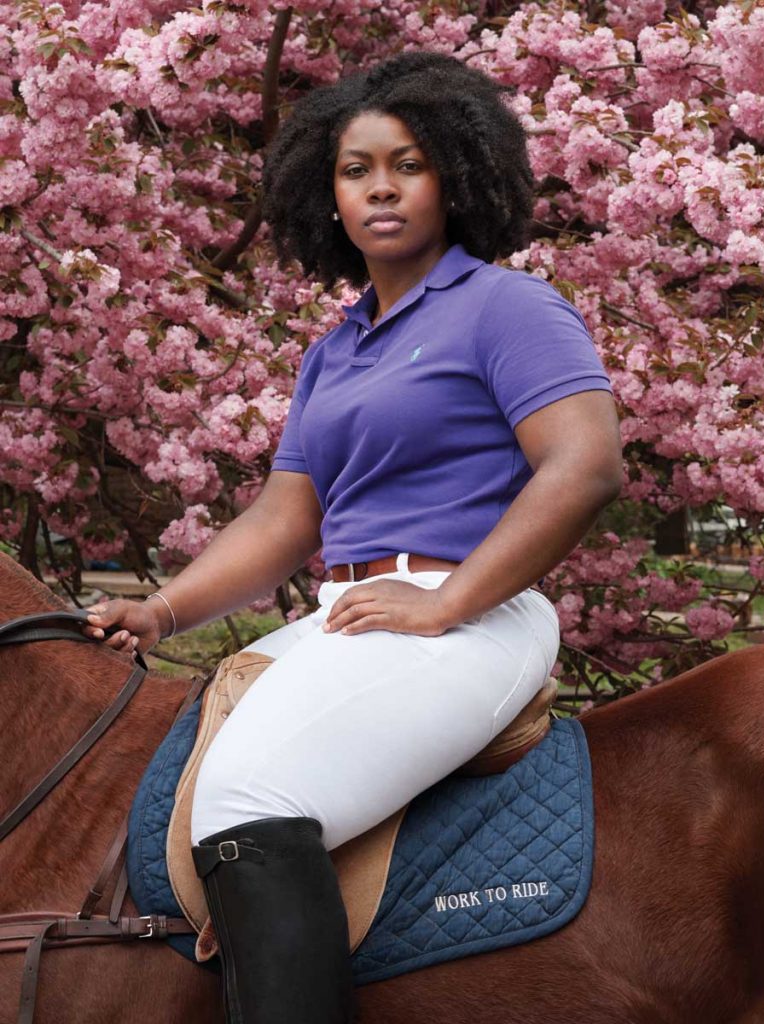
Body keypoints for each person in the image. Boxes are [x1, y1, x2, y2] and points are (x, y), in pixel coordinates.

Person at [86, 50, 622, 1024]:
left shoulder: (508, 307)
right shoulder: (334, 350)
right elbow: (289, 516)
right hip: (355, 616)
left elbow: (584, 465)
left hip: (468, 618)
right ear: (325, 195)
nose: (381, 187)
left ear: (454, 178)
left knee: (246, 796)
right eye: (355, 168)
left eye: (407, 164)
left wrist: (451, 599)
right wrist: (160, 608)